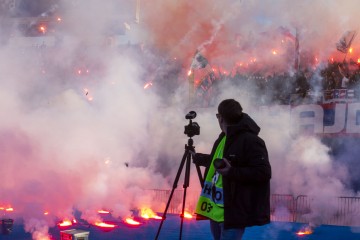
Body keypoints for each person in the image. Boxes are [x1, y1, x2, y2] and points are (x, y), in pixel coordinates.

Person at [193, 99, 271, 240]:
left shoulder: (251, 140)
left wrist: (232, 172)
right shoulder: (224, 138)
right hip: (215, 210)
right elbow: (218, 161)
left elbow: (263, 172)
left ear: (220, 117)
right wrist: (199, 158)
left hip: (232, 212)